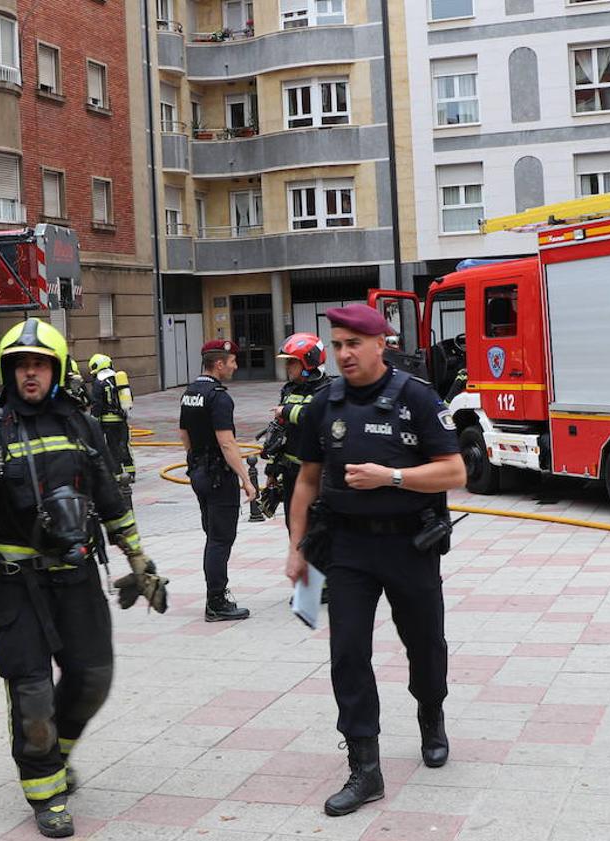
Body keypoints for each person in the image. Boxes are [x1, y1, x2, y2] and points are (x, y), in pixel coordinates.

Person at [0, 318, 168, 839]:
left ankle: (54, 755)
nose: (30, 373)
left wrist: (140, 562)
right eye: (21, 364)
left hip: (78, 574)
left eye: (39, 363)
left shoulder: (81, 425)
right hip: (17, 583)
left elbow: (111, 498)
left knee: (92, 679)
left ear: (57, 369)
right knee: (33, 695)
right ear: (8, 371)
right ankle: (45, 790)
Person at [284, 303, 466, 817]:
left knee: (425, 644)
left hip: (410, 545)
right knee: (347, 653)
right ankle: (365, 767)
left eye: (352, 344)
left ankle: (431, 714)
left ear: (380, 344)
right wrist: (297, 550)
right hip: (347, 549)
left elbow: (454, 472)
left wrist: (391, 477)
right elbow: (306, 480)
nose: (343, 354)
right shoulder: (324, 403)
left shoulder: (416, 397)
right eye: (336, 344)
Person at [178, 339, 256, 622]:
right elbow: (227, 443)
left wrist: (196, 461)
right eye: (233, 361)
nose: (236, 366)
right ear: (219, 363)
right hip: (218, 476)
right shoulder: (219, 396)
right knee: (221, 539)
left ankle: (216, 597)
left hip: (199, 472)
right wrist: (246, 479)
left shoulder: (190, 392)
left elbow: (184, 433)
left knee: (213, 536)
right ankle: (216, 601)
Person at [270, 332, 332, 524]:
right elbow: (279, 431)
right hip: (290, 473)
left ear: (308, 362)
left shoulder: (327, 389)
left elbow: (314, 417)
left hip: (317, 474)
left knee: (317, 528)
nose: (287, 367)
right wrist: (272, 471)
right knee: (294, 524)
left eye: (292, 362)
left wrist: (286, 411)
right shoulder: (289, 390)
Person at [87, 353, 136, 491]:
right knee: (124, 445)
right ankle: (131, 472)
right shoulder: (119, 379)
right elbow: (128, 397)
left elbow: (97, 404)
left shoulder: (98, 382)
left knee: (112, 449)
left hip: (108, 423)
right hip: (122, 419)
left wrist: (93, 422)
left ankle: (118, 475)